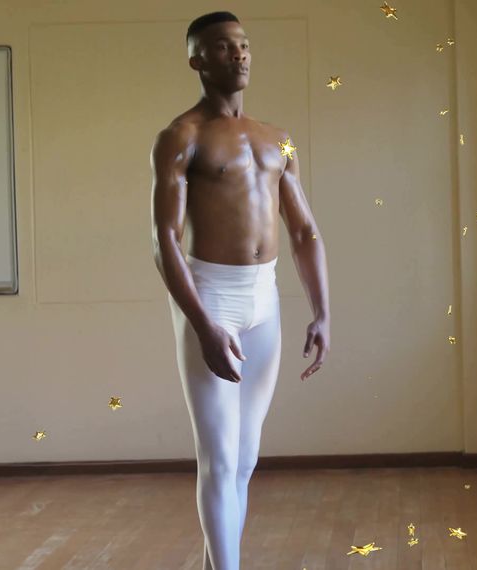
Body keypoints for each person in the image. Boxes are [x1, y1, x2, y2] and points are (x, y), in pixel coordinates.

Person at [149, 11, 331, 570]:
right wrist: (202, 324)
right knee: (219, 459)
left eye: (244, 45)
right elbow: (164, 242)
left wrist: (323, 313)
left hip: (264, 301)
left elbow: (303, 231)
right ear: (197, 60)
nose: (240, 55)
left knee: (245, 458)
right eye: (224, 48)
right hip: (212, 298)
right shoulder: (182, 136)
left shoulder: (278, 138)